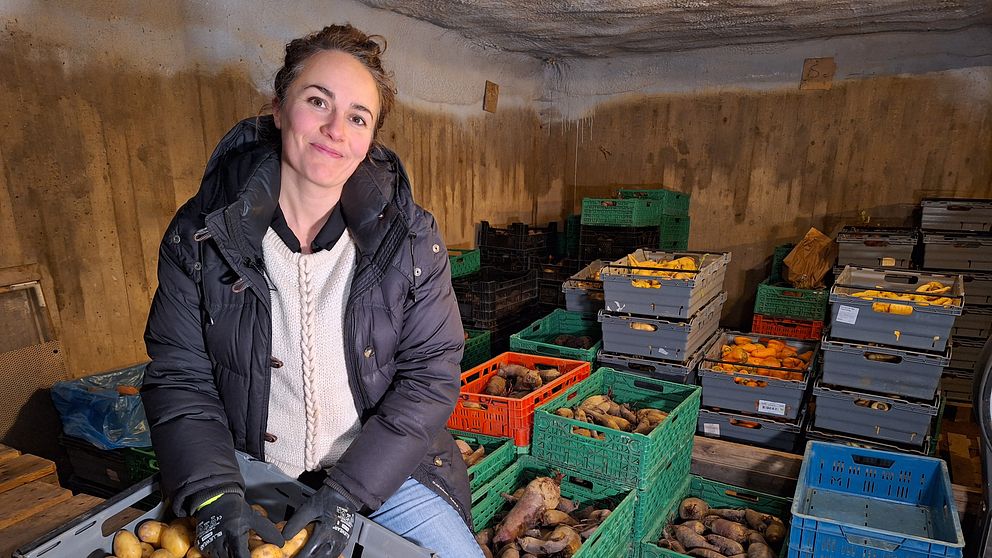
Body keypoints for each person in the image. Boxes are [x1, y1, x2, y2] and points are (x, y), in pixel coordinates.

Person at [142, 23, 482, 558]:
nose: (334, 129)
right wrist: (211, 492)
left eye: (357, 117)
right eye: (317, 101)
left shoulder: (410, 237)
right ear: (279, 110)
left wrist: (349, 492)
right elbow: (180, 376)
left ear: (372, 136)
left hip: (382, 477)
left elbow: (431, 374)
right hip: (246, 475)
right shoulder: (202, 233)